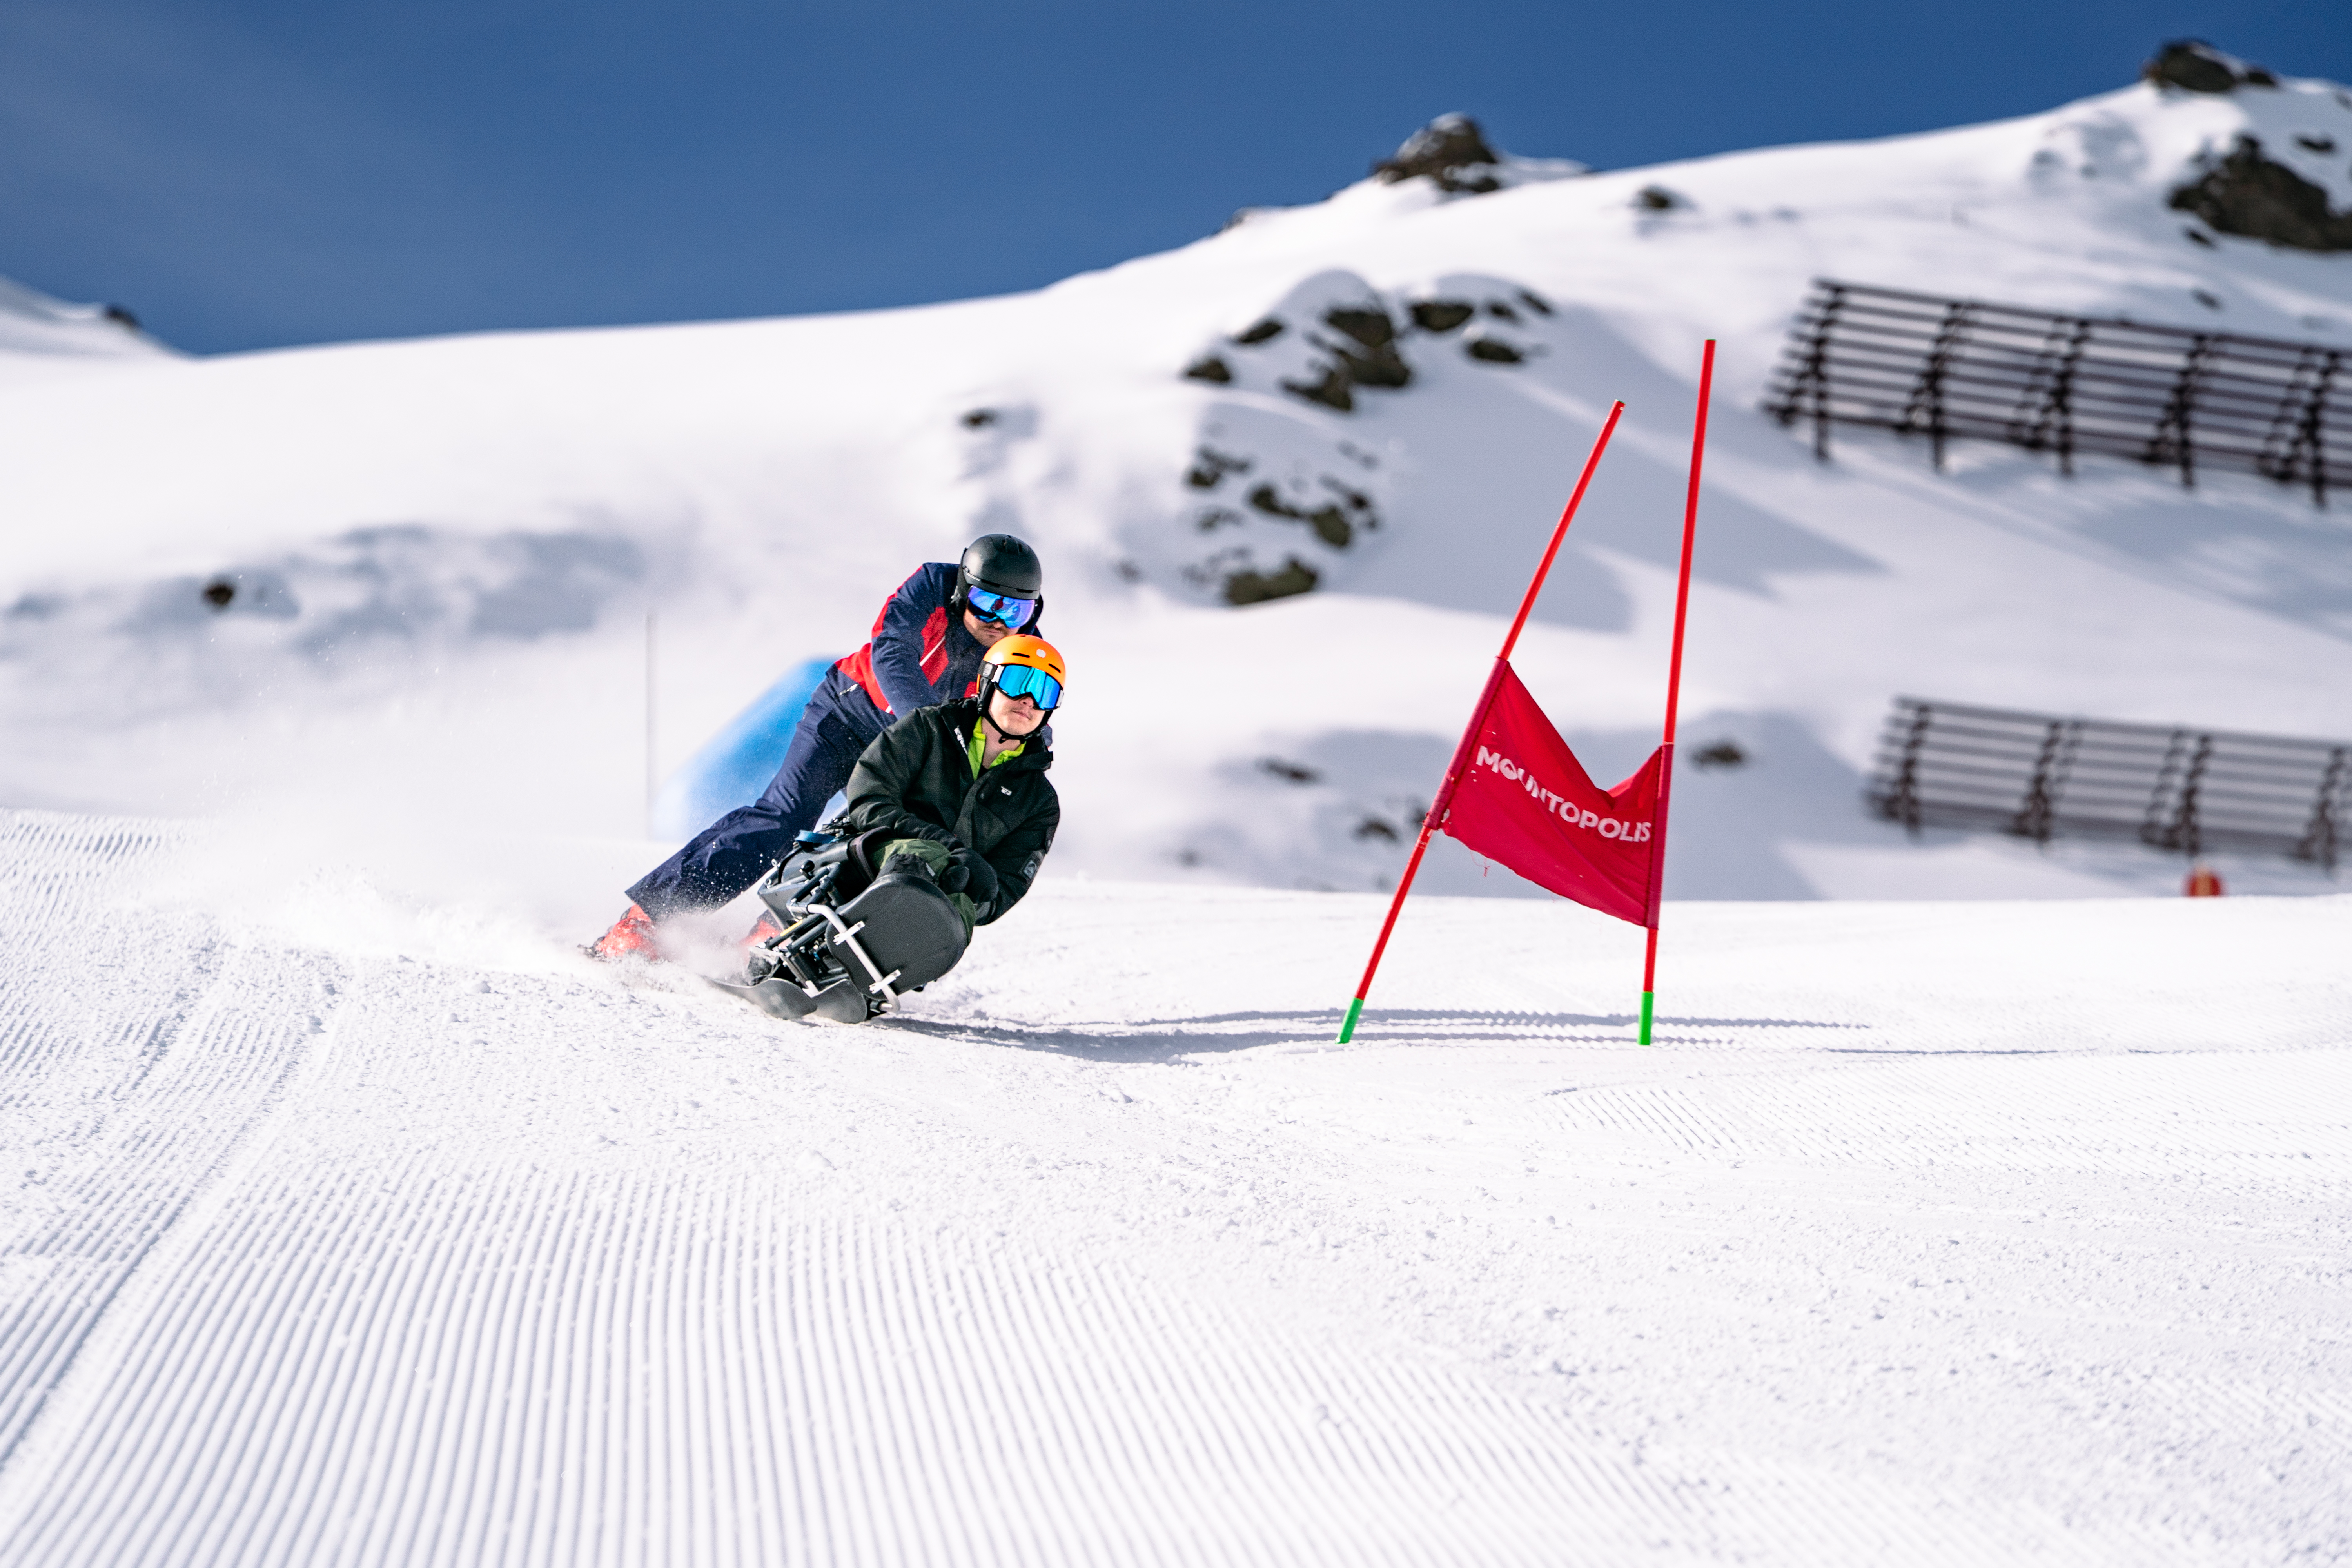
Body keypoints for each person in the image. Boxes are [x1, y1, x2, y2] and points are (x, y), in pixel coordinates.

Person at [593, 534, 1045, 958]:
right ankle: (648, 919)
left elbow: (1029, 718)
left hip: (904, 751)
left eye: (1017, 612)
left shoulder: (1023, 653)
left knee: (864, 843)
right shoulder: (931, 584)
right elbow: (891, 650)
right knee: (784, 819)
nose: (1000, 623)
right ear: (964, 590)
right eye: (987, 604)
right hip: (848, 715)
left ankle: (777, 931)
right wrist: (930, 729)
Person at [837, 633, 1065, 936]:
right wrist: (946, 849)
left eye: (1045, 692)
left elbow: (1007, 886)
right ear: (987, 683)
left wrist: (978, 888)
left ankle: (883, 965)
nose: (1029, 700)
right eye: (1017, 682)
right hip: (870, 855)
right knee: (920, 865)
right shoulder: (929, 728)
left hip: (941, 903)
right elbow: (869, 796)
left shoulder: (1039, 802)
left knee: (955, 908)